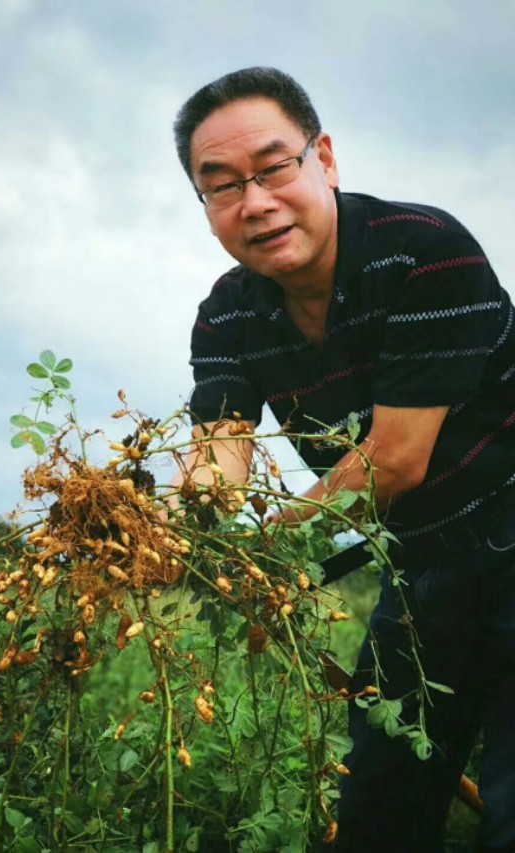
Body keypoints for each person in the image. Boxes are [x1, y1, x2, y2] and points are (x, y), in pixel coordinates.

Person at [172, 67, 515, 852]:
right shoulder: (228, 317)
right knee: (376, 817)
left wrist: (270, 549)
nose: (254, 203)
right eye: (221, 186)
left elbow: (394, 463)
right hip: (421, 569)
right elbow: (219, 458)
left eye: (273, 168)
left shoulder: (427, 253)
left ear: (323, 157)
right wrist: (179, 529)